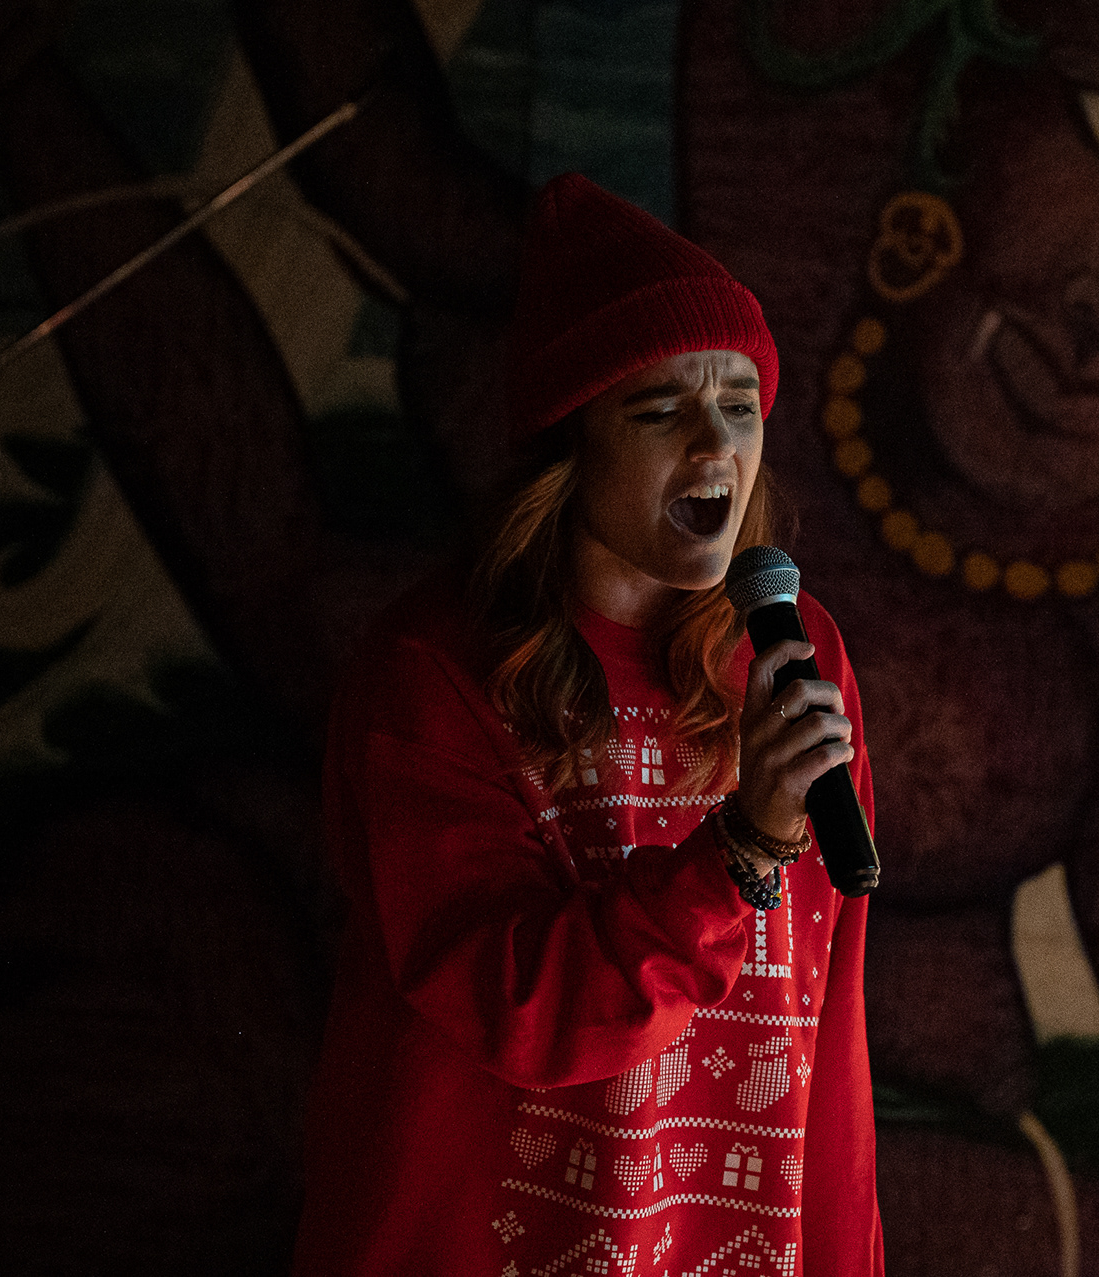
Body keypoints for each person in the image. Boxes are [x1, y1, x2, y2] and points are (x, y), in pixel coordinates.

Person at [291, 173, 883, 1277]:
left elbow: (827, 1034)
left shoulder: (799, 654)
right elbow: (523, 1011)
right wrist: (745, 847)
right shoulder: (434, 672)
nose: (716, 447)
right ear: (571, 444)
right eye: (660, 410)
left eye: (740, 404)